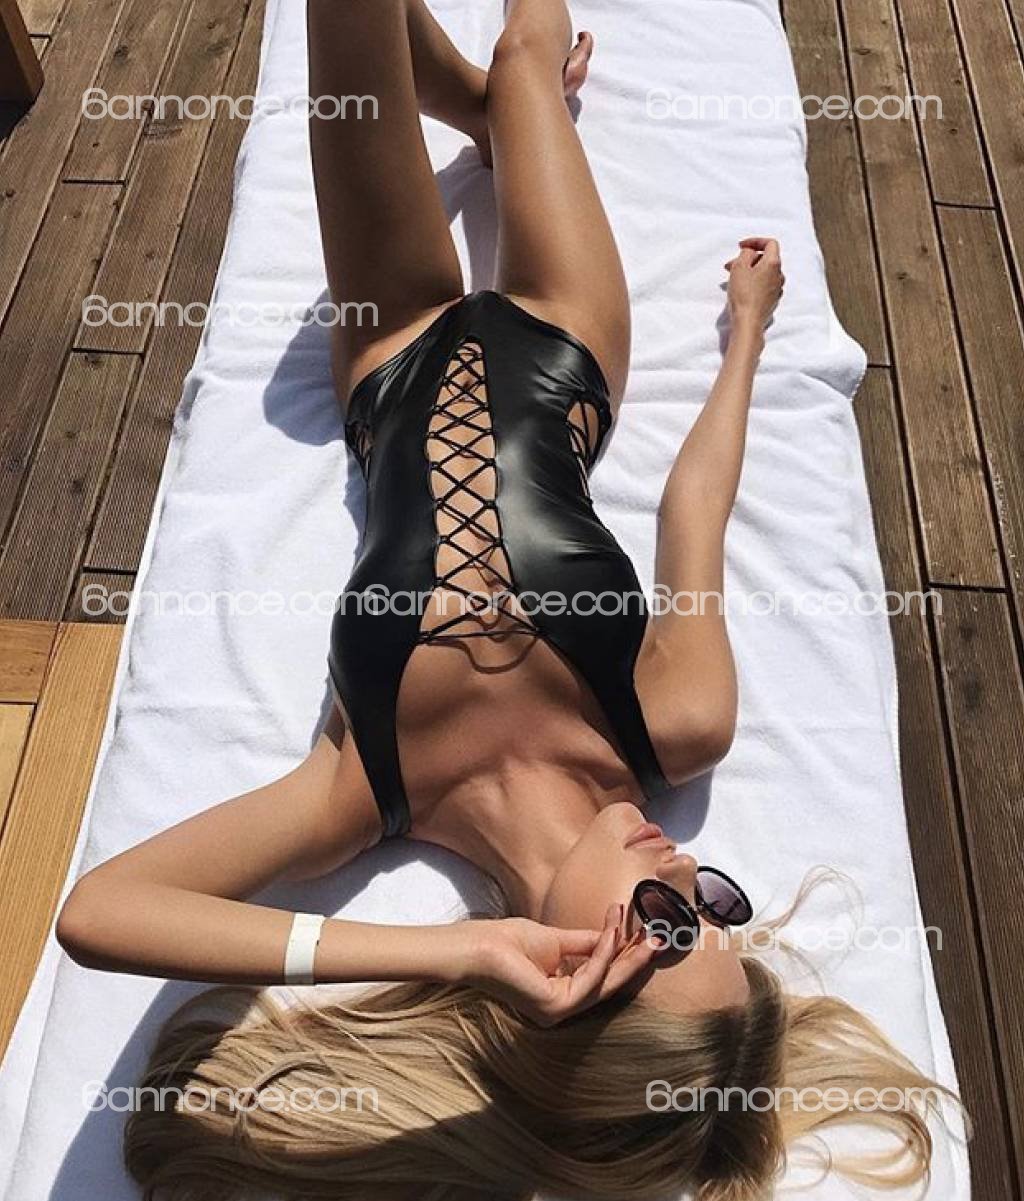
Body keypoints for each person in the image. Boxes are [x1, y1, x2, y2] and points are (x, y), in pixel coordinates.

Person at [55, 1, 955, 1197]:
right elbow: (690, 516)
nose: (690, 872)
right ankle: (484, 103)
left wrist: (464, 951)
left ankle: (461, 99)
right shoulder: (673, 725)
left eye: (668, 927)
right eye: (715, 908)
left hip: (390, 352)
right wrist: (746, 342)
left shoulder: (370, 788)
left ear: (564, 974)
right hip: (566, 341)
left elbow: (102, 911)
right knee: (532, 46)